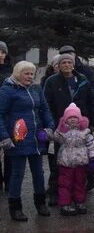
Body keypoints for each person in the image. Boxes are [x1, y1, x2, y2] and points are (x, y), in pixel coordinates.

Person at [0, 61, 56, 221]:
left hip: (36, 138)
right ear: (18, 73)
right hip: (17, 139)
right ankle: (15, 207)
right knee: (17, 174)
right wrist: (4, 136)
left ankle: (40, 204)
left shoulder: (36, 89)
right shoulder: (7, 91)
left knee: (38, 172)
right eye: (26, 73)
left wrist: (49, 127)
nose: (30, 77)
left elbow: (45, 109)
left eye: (32, 74)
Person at [43, 53, 94, 204]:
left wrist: (92, 122)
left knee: (80, 159)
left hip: (80, 126)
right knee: (57, 160)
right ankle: (55, 191)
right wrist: (51, 125)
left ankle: (78, 190)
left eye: (69, 62)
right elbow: (46, 105)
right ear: (58, 66)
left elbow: (90, 101)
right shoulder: (51, 81)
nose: (66, 65)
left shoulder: (82, 80)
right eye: (63, 62)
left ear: (73, 64)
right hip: (59, 127)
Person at [52, 103, 94, 216]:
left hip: (80, 163)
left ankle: (80, 202)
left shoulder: (85, 132)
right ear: (65, 119)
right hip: (66, 162)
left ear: (79, 119)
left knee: (80, 183)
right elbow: (55, 137)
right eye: (69, 117)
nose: (72, 119)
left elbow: (91, 145)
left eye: (75, 117)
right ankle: (65, 204)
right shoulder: (63, 132)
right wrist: (59, 128)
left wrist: (93, 158)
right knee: (64, 184)